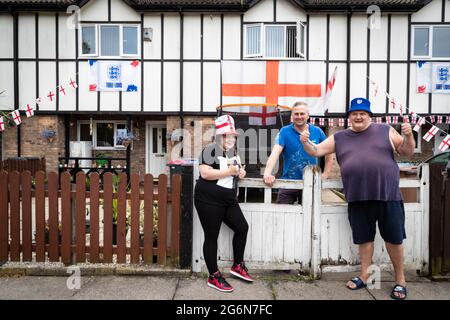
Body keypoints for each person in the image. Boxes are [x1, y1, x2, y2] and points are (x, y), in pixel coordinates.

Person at [299, 97, 415, 300]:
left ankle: (400, 280)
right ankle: (364, 275)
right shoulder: (340, 137)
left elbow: (407, 151)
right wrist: (305, 141)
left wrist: (409, 136)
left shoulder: (385, 130)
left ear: (370, 116)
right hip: (357, 197)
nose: (359, 116)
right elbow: (315, 150)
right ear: (349, 117)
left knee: (394, 240)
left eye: (363, 113)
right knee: (364, 240)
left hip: (387, 196)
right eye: (354, 113)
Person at [194, 115, 253, 293]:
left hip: (228, 201)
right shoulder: (209, 150)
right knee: (211, 236)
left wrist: (240, 172)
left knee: (242, 227)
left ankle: (237, 265)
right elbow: (205, 174)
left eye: (233, 136)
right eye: (226, 135)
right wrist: (230, 171)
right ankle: (214, 276)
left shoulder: (234, 153)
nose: (230, 139)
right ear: (218, 136)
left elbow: (233, 173)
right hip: (208, 200)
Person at [263, 102, 333, 204]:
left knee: (310, 217)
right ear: (292, 115)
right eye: (296, 114)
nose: (299, 117)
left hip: (311, 182)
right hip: (288, 182)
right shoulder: (284, 131)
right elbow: (275, 153)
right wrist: (267, 173)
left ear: (308, 115)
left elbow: (329, 152)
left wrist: (326, 173)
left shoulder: (317, 131)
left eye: (302, 113)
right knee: (283, 215)